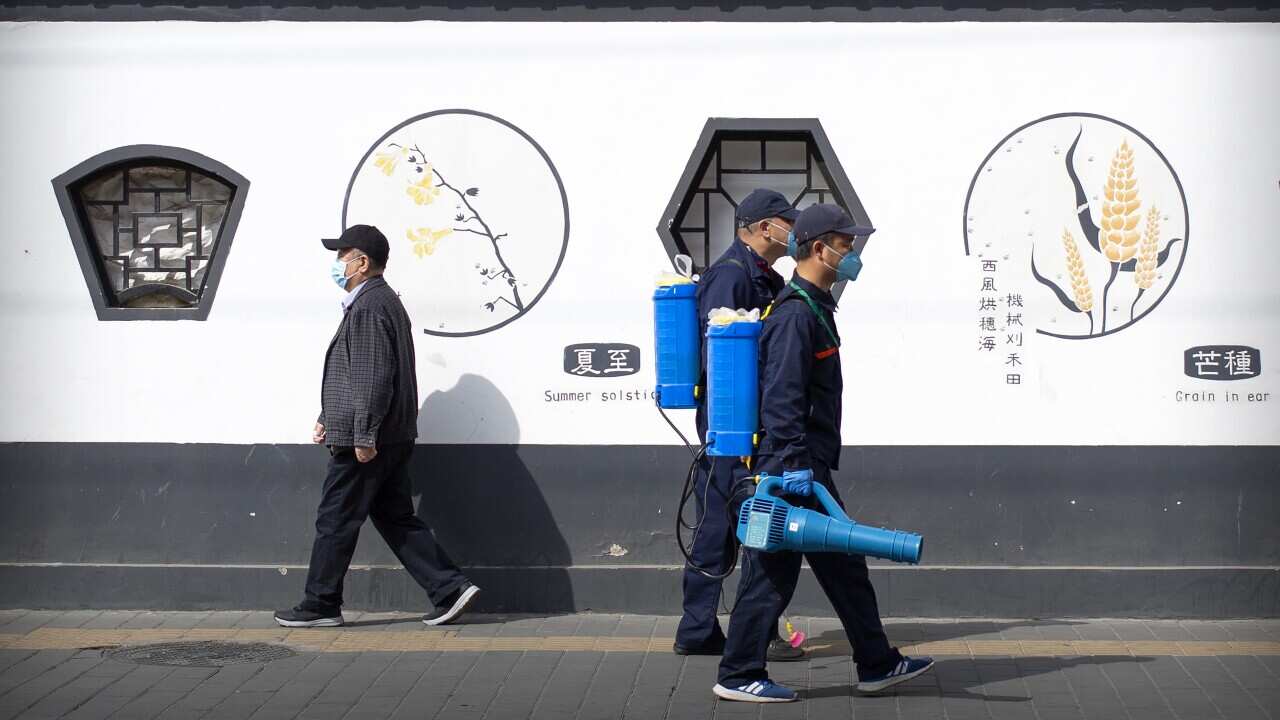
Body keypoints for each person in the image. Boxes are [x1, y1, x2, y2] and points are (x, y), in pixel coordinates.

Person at [713, 205, 934, 703]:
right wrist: (792, 467)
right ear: (819, 249)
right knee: (770, 574)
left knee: (845, 566)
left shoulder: (814, 307)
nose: (851, 254)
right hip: (792, 466)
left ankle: (877, 663)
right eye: (845, 245)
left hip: (804, 464)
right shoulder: (794, 315)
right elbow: (782, 396)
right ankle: (738, 673)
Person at [274, 224, 480, 628]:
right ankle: (450, 589)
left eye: (342, 256)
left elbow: (371, 377)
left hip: (366, 441)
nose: (337, 264)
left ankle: (321, 604)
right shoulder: (379, 302)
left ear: (362, 263)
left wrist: (364, 435)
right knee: (395, 517)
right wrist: (326, 419)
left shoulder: (369, 306)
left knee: (335, 519)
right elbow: (357, 374)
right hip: (386, 435)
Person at [675, 188, 802, 662]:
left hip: (745, 429)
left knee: (728, 529)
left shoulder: (759, 275)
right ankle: (730, 632)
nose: (794, 232)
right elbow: (723, 360)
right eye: (788, 223)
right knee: (736, 531)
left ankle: (702, 629)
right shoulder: (730, 277)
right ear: (765, 227)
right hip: (734, 432)